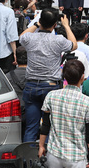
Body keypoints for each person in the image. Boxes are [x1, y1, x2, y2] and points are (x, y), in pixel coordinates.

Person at [19, 8, 77, 142]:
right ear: (55, 25)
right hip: (51, 87)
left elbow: (22, 36)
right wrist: (67, 26)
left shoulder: (30, 38)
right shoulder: (58, 40)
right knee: (51, 126)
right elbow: (74, 45)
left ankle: (29, 160)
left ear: (40, 21)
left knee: (31, 127)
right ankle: (48, 159)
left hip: (32, 86)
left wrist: (35, 24)